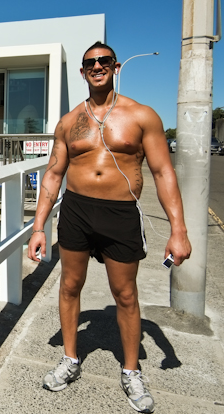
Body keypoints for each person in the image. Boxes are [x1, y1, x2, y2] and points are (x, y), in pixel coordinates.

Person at [27, 41, 192, 413]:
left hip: (120, 214)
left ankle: (131, 370)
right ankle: (70, 359)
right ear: (83, 72)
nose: (97, 66)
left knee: (126, 294)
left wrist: (178, 230)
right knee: (70, 286)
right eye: (90, 63)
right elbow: (53, 175)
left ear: (115, 67)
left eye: (103, 61)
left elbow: (164, 172)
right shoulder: (69, 122)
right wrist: (39, 227)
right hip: (77, 211)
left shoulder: (142, 116)